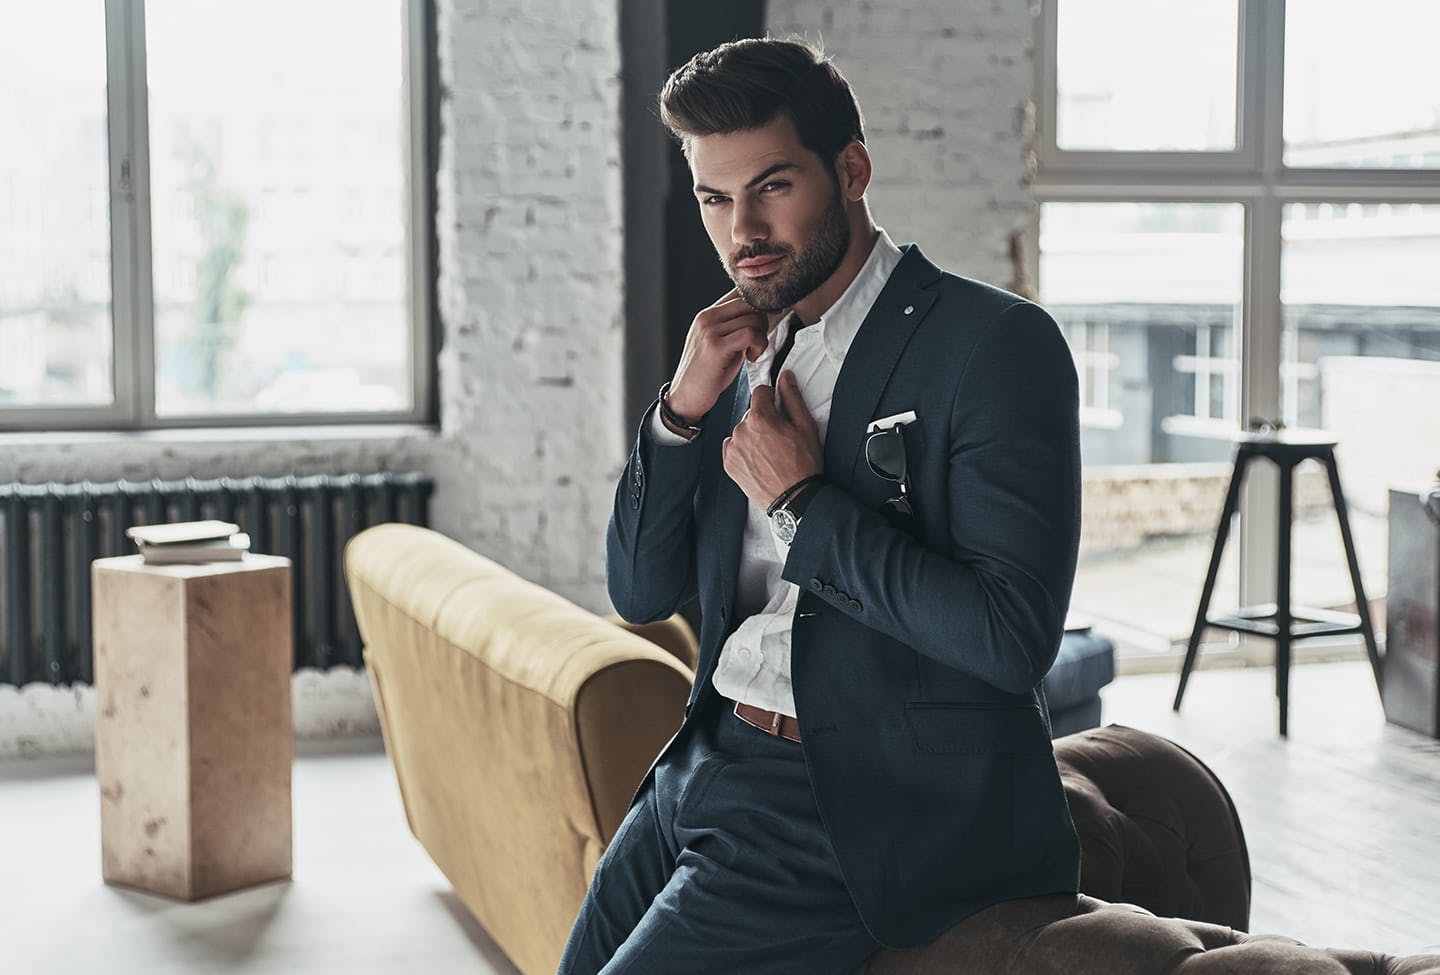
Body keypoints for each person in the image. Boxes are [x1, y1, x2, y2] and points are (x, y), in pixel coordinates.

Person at [559, 36, 1082, 975]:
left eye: (772, 187)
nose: (741, 231)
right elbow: (640, 589)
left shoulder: (994, 345)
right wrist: (679, 415)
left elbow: (1011, 638)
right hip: (700, 758)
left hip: (850, 802)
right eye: (715, 199)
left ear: (851, 169)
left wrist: (802, 500)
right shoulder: (734, 350)